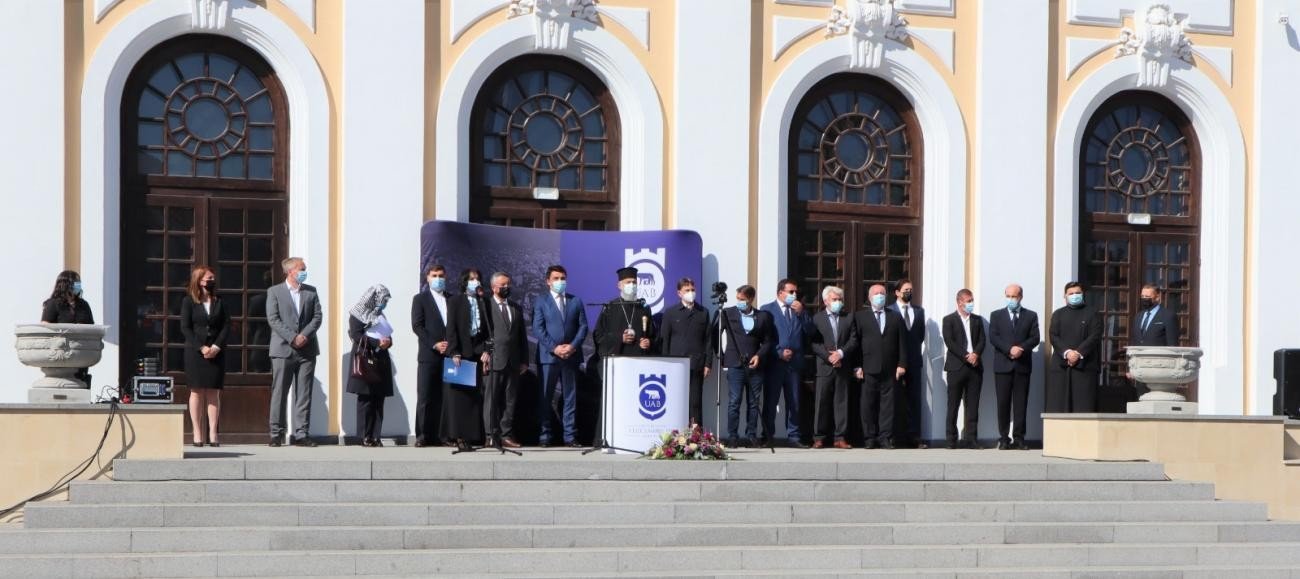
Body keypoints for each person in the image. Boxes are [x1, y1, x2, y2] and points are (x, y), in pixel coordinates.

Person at [265, 257, 322, 447]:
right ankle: (276, 433)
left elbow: (317, 316)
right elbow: (273, 319)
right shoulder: (274, 292)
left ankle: (301, 434)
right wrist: (292, 337)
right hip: (283, 349)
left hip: (307, 350)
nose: (305, 271)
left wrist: (304, 335)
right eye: (302, 269)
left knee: (304, 393)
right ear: (290, 271)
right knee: (280, 392)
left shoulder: (311, 292)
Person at [532, 265, 588, 447]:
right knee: (545, 396)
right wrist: (555, 348)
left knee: (570, 397)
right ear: (548, 281)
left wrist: (571, 347)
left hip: (570, 356)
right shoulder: (541, 300)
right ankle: (545, 435)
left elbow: (583, 327)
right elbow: (538, 329)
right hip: (549, 357)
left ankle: (570, 436)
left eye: (563, 278)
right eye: (556, 278)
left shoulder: (576, 301)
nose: (560, 282)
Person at [716, 285, 773, 447]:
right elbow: (716, 335)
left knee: (754, 402)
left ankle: (751, 435)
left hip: (755, 366)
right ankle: (732, 436)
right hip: (735, 364)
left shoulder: (763, 317)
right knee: (734, 401)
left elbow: (768, 341)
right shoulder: (727, 313)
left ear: (751, 299)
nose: (739, 302)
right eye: (738, 299)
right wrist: (721, 355)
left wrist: (759, 355)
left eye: (742, 299)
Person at [854, 284, 908, 449]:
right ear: (869, 297)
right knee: (867, 405)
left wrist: (902, 364)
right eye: (876, 294)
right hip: (868, 369)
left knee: (888, 406)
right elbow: (855, 343)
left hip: (890, 369)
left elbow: (902, 343)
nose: (880, 296)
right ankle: (869, 438)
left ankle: (885, 437)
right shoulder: (860, 317)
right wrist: (857, 366)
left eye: (882, 293)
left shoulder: (895, 317)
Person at [179, 266, 227, 448]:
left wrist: (216, 346)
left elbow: (226, 325)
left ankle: (213, 433)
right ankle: (197, 433)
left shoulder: (220, 301)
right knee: (197, 391)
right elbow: (185, 327)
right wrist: (201, 347)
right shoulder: (188, 301)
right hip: (195, 352)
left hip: (216, 352)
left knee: (213, 392)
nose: (211, 281)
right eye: (208, 278)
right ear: (199, 280)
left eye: (213, 278)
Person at [760, 279, 812, 448]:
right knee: (771, 401)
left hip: (794, 364)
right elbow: (763, 339)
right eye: (791, 292)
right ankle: (768, 436)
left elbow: (811, 331)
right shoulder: (767, 310)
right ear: (780, 292)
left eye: (795, 292)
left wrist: (802, 313)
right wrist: (779, 352)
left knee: (794, 401)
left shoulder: (799, 310)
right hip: (775, 363)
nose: (794, 295)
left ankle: (794, 436)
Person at [989, 284, 1039, 450]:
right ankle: (1003, 438)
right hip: (1002, 366)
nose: (1011, 299)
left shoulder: (1031, 316)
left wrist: (1021, 348)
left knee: (1020, 404)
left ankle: (1019, 438)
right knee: (1003, 404)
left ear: (1021, 297)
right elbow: (993, 337)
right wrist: (1008, 349)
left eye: (1014, 296)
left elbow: (1035, 337)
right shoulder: (996, 315)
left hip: (1022, 366)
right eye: (1008, 296)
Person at [657, 278, 712, 426]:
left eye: (692, 290)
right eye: (687, 290)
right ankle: (676, 433)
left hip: (697, 363)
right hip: (676, 364)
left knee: (695, 401)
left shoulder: (703, 312)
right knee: (676, 399)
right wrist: (665, 363)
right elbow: (665, 339)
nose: (691, 293)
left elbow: (708, 340)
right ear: (679, 293)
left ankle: (696, 435)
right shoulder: (670, 313)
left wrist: (708, 363)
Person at [809, 285, 858, 449]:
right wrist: (829, 356)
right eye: (834, 299)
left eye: (840, 299)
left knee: (841, 402)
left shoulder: (848, 317)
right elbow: (814, 343)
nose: (838, 302)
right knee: (821, 402)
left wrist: (840, 353)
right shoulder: (817, 318)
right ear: (825, 301)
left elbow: (853, 340)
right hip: (824, 366)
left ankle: (840, 437)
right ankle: (819, 437)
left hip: (843, 366)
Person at [445, 269, 488, 451]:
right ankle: (458, 436)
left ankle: (472, 435)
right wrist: (454, 351)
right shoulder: (455, 301)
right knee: (459, 397)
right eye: (471, 279)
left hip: (477, 352)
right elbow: (451, 328)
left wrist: (487, 350)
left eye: (477, 278)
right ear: (464, 281)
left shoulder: (483, 301)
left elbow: (487, 329)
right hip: (461, 353)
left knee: (473, 397)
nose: (475, 281)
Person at [485, 272, 528, 448]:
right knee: (491, 400)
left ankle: (506, 434)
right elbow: (481, 333)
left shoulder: (516, 308)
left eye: (508, 284)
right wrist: (484, 353)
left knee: (510, 400)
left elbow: (522, 337)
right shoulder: (486, 306)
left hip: (513, 361)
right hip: (494, 359)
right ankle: (490, 435)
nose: (506, 287)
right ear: (494, 287)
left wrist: (524, 360)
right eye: (503, 285)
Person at [347, 285, 394, 447]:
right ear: (374, 298)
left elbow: (388, 335)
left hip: (381, 360)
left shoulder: (380, 315)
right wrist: (376, 343)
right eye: (383, 300)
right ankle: (365, 436)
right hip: (365, 359)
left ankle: (376, 435)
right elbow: (355, 335)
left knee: (378, 399)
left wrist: (388, 343)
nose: (385, 303)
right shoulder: (357, 314)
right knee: (366, 399)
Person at [411, 264, 452, 447]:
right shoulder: (420, 299)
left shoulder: (452, 299)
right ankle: (422, 435)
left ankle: (442, 436)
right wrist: (435, 344)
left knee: (445, 397)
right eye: (434, 275)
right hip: (429, 355)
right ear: (427, 278)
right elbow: (417, 326)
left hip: (450, 355)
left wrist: (451, 345)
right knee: (426, 396)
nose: (438, 278)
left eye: (441, 275)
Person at [1048, 281, 1103, 413]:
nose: (1074, 295)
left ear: (1083, 294)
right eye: (1071, 293)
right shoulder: (1058, 314)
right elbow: (1053, 336)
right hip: (1062, 366)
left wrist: (1078, 353)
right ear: (1065, 296)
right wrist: (1067, 353)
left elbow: (1095, 335)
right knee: (1059, 406)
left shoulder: (1093, 313)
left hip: (1085, 367)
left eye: (1077, 293)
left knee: (1084, 406)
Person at [942, 288, 986, 449]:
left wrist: (976, 354)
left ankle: (971, 439)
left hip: (975, 367)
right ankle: (951, 439)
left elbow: (982, 340)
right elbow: (950, 342)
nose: (970, 304)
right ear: (959, 302)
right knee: (953, 404)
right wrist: (966, 355)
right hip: (956, 367)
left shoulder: (977, 320)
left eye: (971, 300)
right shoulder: (949, 320)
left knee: (973, 405)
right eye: (968, 301)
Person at [886, 279, 927, 448]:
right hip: (894, 362)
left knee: (914, 399)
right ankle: (893, 436)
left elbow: (920, 335)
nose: (909, 292)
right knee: (893, 399)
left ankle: (914, 436)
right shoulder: (889, 310)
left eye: (911, 289)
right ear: (897, 292)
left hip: (914, 361)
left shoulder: (919, 311)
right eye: (905, 289)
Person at [41, 270, 95, 388]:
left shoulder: (83, 305)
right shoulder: (53, 304)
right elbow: (45, 326)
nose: (78, 285)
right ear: (65, 284)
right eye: (76, 282)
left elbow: (91, 326)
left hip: (80, 351)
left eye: (79, 282)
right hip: (61, 352)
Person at [593, 267, 655, 358]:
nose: (632, 285)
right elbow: (599, 336)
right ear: (619, 285)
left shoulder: (644, 307)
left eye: (634, 282)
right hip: (617, 359)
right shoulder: (610, 307)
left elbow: (653, 336)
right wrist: (619, 338)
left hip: (639, 360)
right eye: (628, 282)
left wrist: (648, 342)